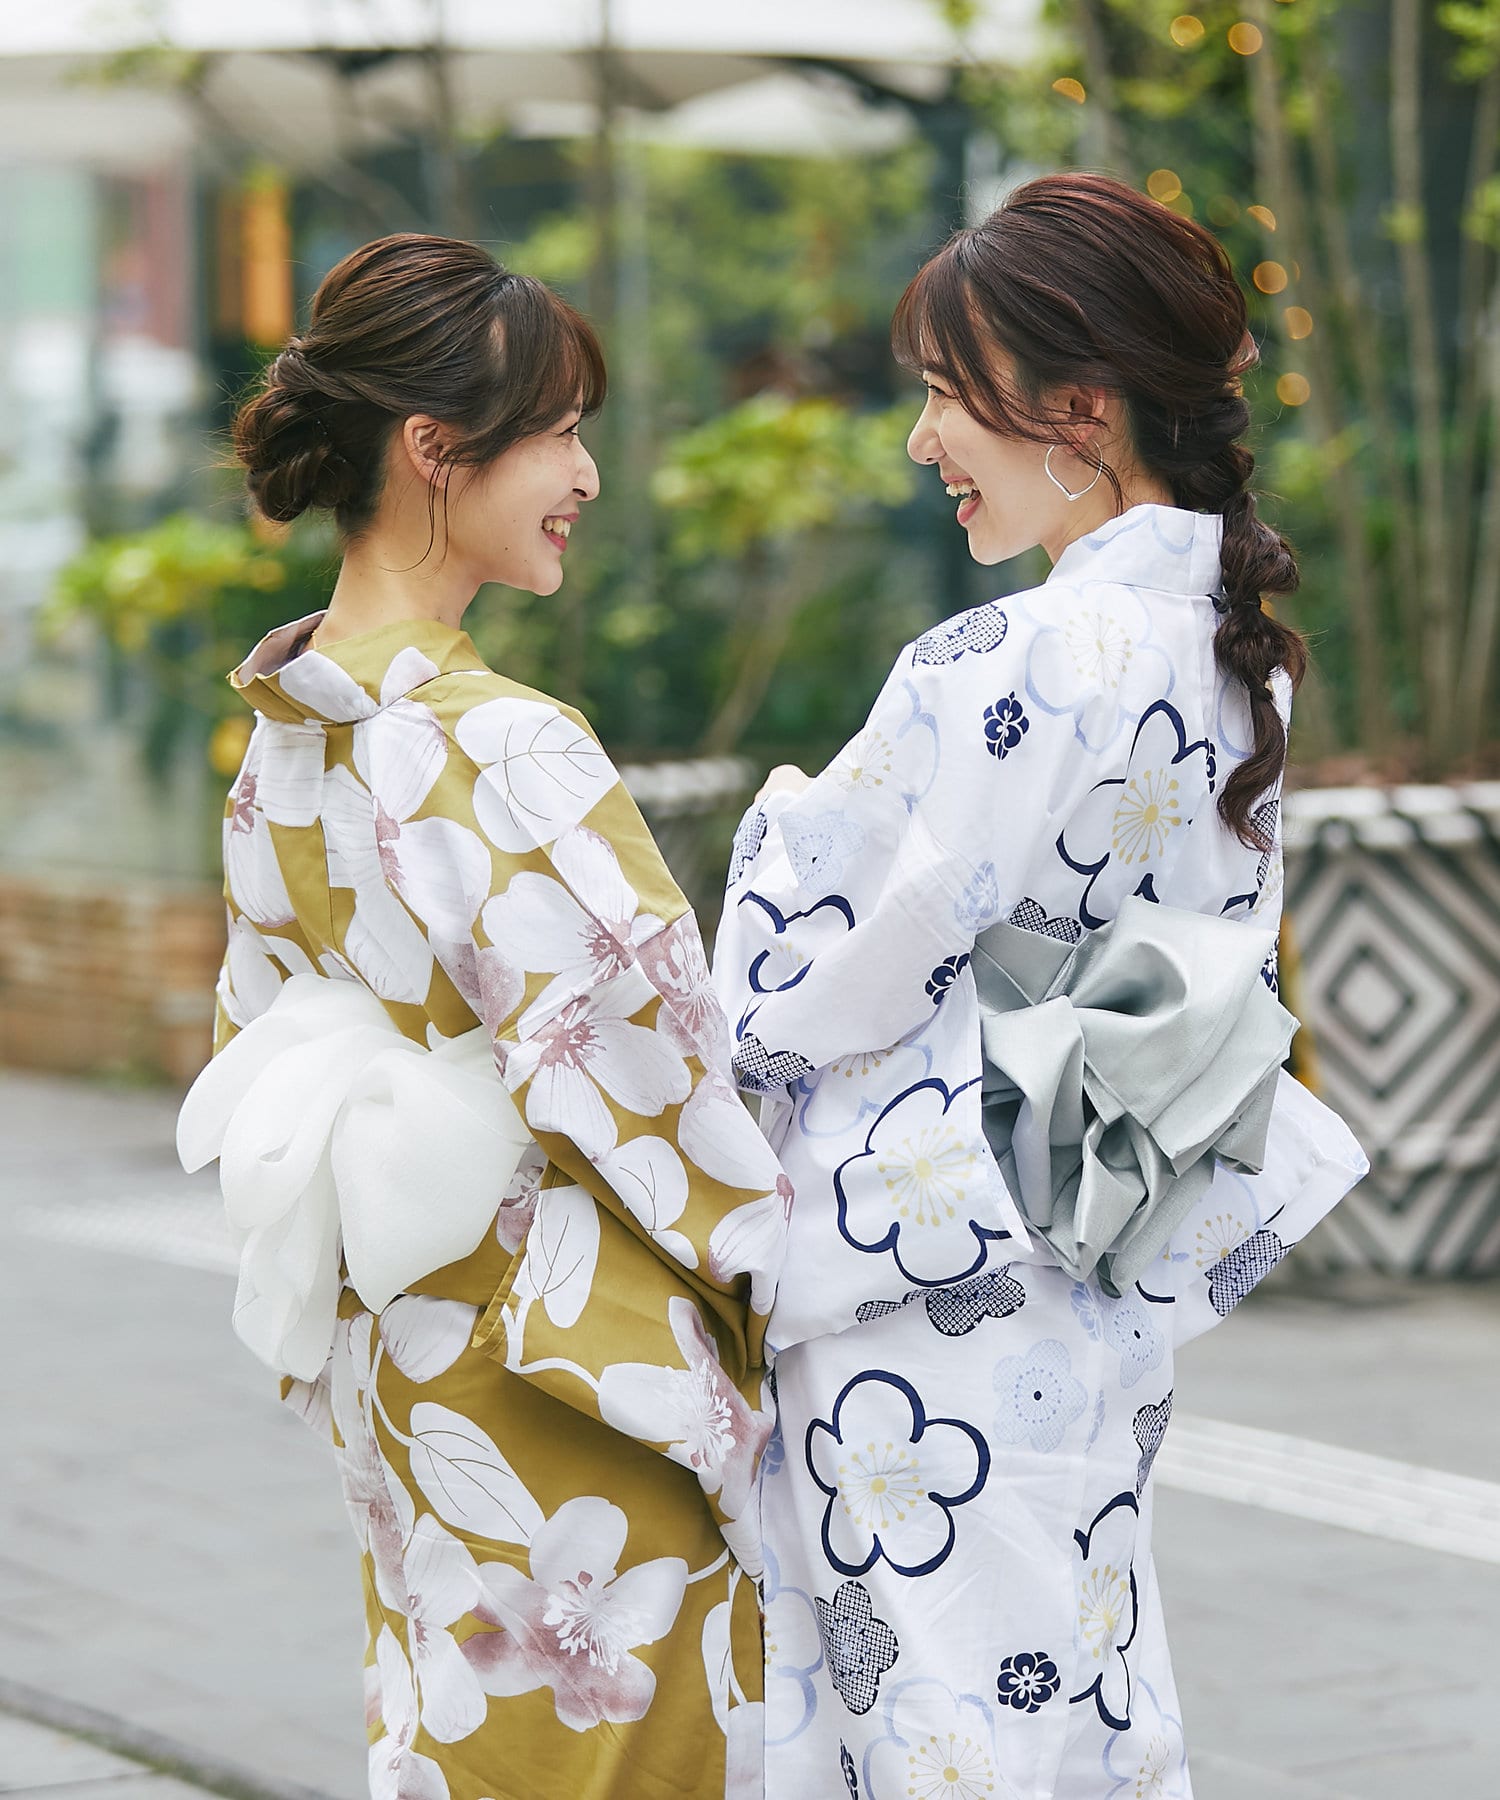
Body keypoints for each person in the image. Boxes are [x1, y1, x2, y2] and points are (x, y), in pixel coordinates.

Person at [711, 174, 1368, 1799]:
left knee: (925, 1722)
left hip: (919, 1266)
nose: (922, 438)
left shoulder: (1007, 662)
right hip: (1093, 1245)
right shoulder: (1231, 657)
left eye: (948, 392)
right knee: (1075, 1691)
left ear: (1079, 409)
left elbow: (833, 966)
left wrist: (782, 826)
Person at [177, 235, 787, 1800]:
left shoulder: (284, 741)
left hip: (403, 1345)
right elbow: (656, 1063)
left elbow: (255, 1028)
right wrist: (776, 1284)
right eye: (558, 433)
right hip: (562, 1360)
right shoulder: (498, 743)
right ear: (434, 450)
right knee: (622, 1751)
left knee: (464, 1744)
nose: (587, 474)